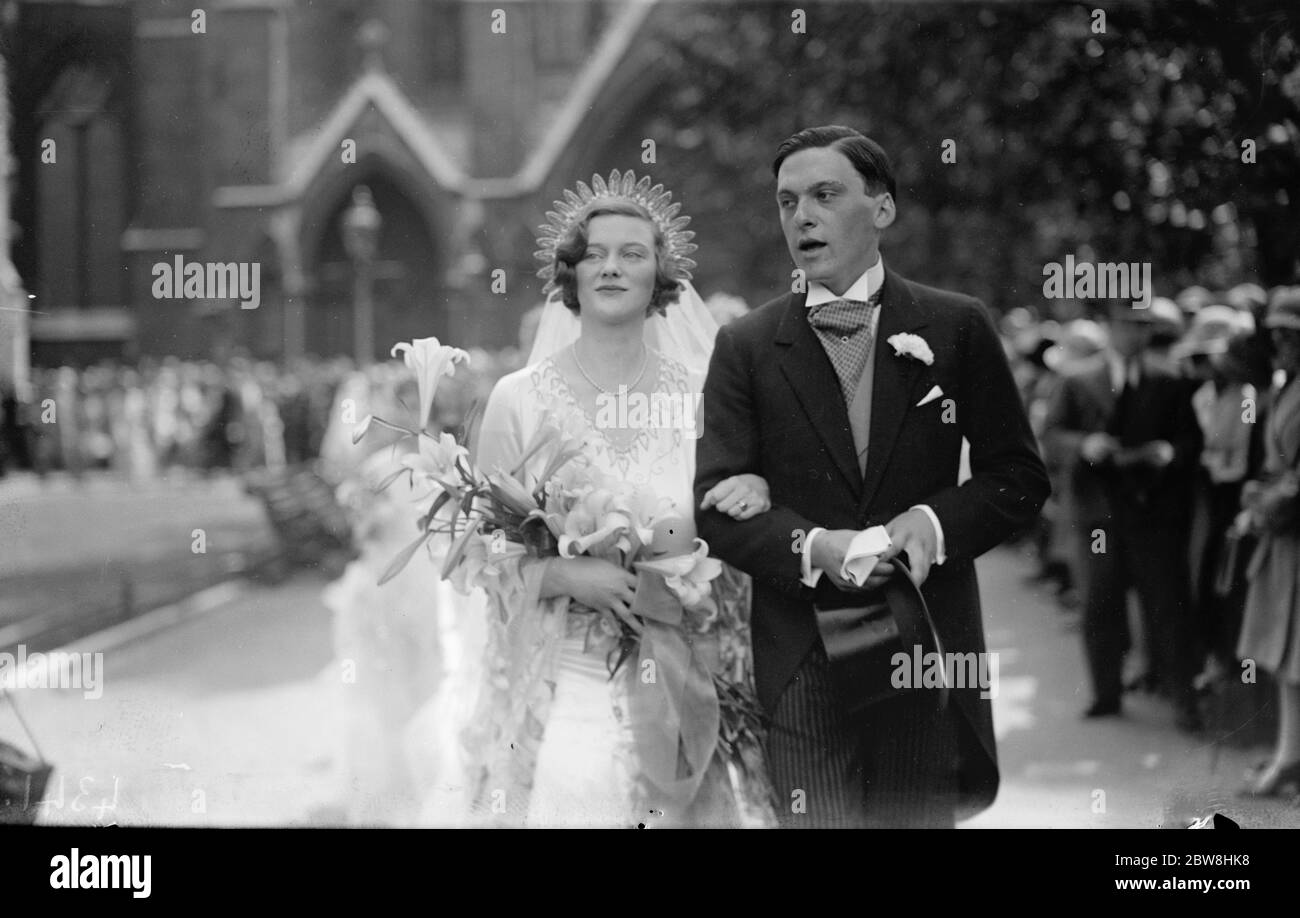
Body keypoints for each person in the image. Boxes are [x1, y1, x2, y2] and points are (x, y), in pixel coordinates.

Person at [695, 126, 1050, 827]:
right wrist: (812, 548)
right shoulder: (746, 345)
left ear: (881, 209)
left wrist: (933, 522)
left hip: (924, 644)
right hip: (801, 653)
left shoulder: (956, 326)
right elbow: (715, 505)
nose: (803, 216)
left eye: (825, 195)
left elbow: (1018, 476)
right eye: (787, 201)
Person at [425, 172, 776, 827]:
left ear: (660, 277)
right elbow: (474, 546)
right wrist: (561, 571)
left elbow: (728, 533)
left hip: (673, 672)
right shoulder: (519, 399)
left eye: (632, 253)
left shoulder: (703, 399)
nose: (611, 267)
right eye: (594, 253)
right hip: (563, 679)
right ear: (571, 274)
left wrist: (737, 510)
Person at [1046, 300, 1204, 730]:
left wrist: (1170, 453)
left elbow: (1190, 439)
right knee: (1100, 604)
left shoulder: (1170, 380)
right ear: (1108, 326)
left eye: (1143, 326)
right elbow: (1050, 437)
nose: (1136, 334)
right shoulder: (1078, 380)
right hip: (1098, 512)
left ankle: (1183, 698)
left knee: (1166, 606)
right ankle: (1106, 693)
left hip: (1152, 511)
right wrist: (1085, 445)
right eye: (1128, 325)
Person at [1234, 289, 1300, 797]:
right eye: (1276, 334)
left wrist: (1269, 504)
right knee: (1286, 657)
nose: (1281, 343)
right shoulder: (1284, 388)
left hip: (1292, 527)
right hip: (1284, 541)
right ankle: (1289, 754)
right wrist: (1258, 495)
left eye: (1291, 335)